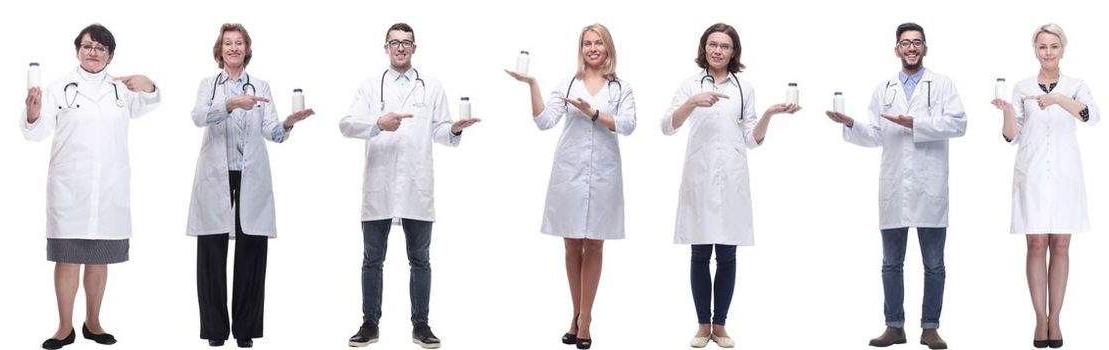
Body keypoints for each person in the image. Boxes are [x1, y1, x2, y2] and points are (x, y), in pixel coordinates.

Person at [823, 22, 965, 350]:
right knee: (890, 263)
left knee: (934, 264)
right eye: (905, 43)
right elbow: (875, 134)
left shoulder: (942, 84)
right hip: (895, 186)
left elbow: (959, 124)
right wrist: (850, 123)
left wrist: (916, 122)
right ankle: (894, 327)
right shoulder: (883, 88)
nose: (911, 48)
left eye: (917, 42)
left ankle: (930, 328)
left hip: (930, 186)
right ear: (897, 49)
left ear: (925, 48)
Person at [340, 22, 482, 349]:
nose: (400, 48)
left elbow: (442, 133)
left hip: (417, 186)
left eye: (406, 43)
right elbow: (346, 125)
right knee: (372, 259)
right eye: (395, 42)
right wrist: (377, 123)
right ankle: (369, 324)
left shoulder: (430, 87)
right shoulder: (369, 86)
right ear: (386, 48)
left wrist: (456, 129)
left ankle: (421, 326)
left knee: (420, 259)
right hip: (379, 186)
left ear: (414, 48)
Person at [22, 23, 161, 350]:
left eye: (100, 48)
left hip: (109, 188)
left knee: (99, 258)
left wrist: (149, 84)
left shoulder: (121, 89)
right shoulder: (59, 88)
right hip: (70, 189)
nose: (93, 52)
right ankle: (64, 327)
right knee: (68, 258)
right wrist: (32, 112)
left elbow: (151, 102)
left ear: (110, 54)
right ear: (77, 50)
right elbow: (36, 131)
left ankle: (93, 322)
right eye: (87, 46)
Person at [662, 22, 799, 349]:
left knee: (726, 254)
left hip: (733, 179)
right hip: (700, 176)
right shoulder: (690, 84)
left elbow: (751, 139)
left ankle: (720, 326)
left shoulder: (743, 87)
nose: (718, 50)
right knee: (699, 253)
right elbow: (667, 126)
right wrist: (692, 102)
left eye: (725, 46)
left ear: (733, 52)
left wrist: (768, 114)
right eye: (713, 44)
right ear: (704, 48)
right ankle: (701, 325)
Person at [504, 23, 636, 350]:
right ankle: (575, 314)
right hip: (570, 174)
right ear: (581, 48)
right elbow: (544, 121)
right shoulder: (569, 83)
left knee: (594, 246)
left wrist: (592, 112)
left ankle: (586, 319)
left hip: (604, 174)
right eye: (587, 43)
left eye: (599, 43)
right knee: (571, 246)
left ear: (608, 48)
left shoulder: (621, 87)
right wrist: (532, 85)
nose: (592, 48)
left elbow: (629, 125)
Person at [186, 23, 315, 348]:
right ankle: (215, 331)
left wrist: (287, 122)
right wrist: (230, 104)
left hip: (250, 175)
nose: (233, 48)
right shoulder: (208, 85)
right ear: (220, 49)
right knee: (211, 254)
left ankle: (245, 330)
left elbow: (272, 131)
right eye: (228, 43)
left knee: (252, 252)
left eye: (239, 43)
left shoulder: (261, 86)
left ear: (246, 49)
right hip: (216, 175)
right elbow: (198, 116)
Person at [990, 23, 1098, 350]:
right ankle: (1040, 318)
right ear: (1035, 50)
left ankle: (1056, 319)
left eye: (1053, 46)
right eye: (1042, 47)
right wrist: (1009, 112)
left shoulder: (1076, 86)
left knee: (1061, 245)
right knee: (1036, 243)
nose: (1048, 52)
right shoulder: (1022, 87)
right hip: (1032, 173)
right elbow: (1011, 135)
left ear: (1062, 50)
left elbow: (1091, 116)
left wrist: (1057, 99)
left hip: (1066, 175)